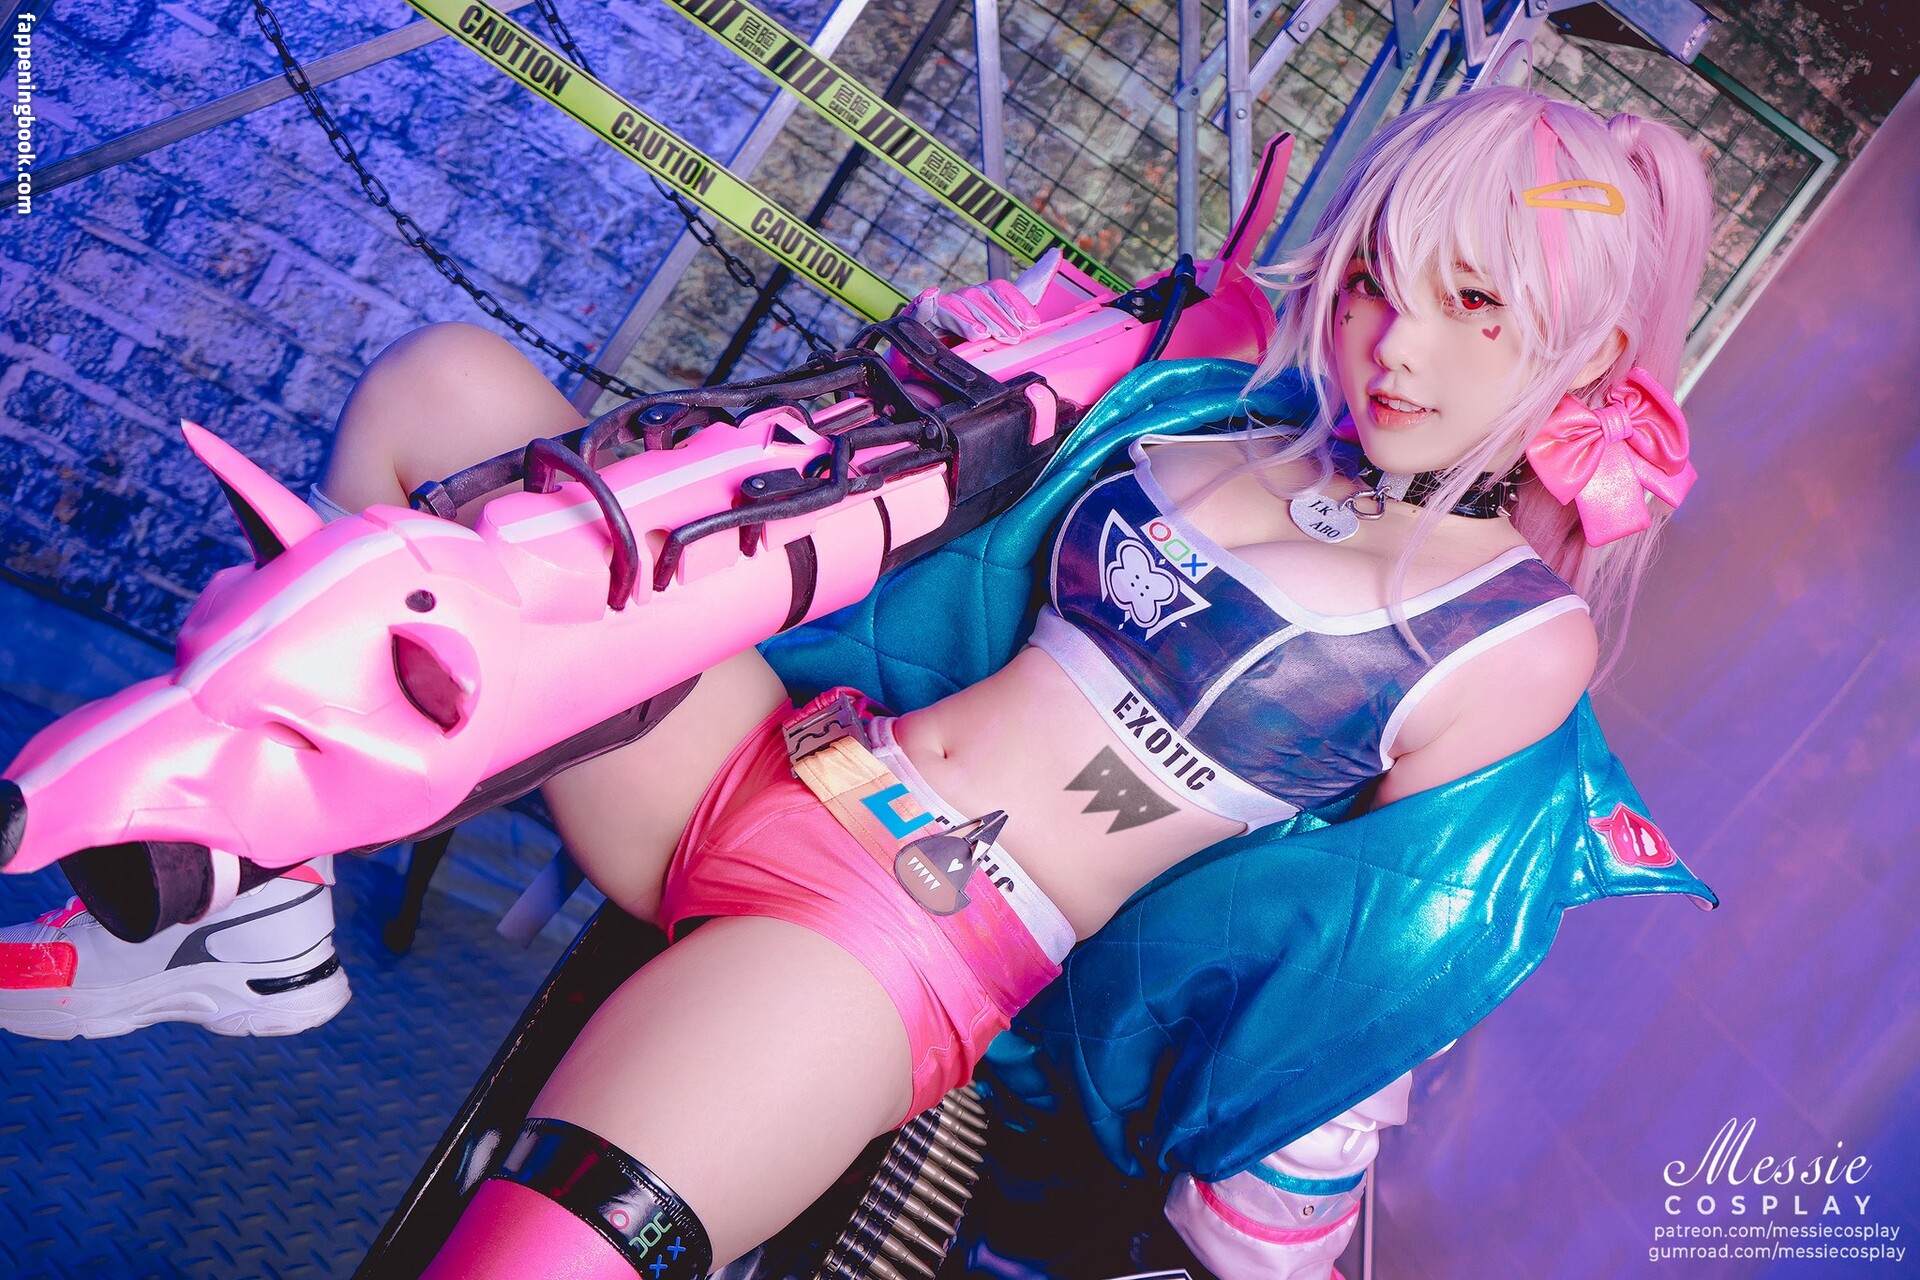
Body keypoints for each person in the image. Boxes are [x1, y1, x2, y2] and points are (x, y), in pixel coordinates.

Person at [25, 82, 1719, 1279]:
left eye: (1471, 305)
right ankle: (257, 912)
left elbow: (1370, 968)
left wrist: (1247, 1222)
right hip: (771, 753)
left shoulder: (1511, 635)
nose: (1395, 343)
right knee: (451, 392)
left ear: (1584, 346)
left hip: (886, 944)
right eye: (1370, 283)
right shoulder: (1221, 416)